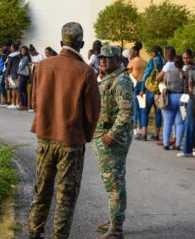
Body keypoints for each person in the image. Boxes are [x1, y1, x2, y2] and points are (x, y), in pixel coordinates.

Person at [28, 22, 100, 239]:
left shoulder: (43, 66)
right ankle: (59, 236)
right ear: (82, 44)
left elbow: (35, 103)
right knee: (66, 195)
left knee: (42, 188)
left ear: (61, 43)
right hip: (71, 141)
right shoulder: (86, 72)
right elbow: (92, 112)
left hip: (44, 136)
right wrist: (85, 136)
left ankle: (34, 231)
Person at [93, 44, 133, 239]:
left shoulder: (121, 80)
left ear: (118, 60)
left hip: (112, 140)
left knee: (114, 182)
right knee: (111, 181)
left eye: (107, 58)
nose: (103, 60)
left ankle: (116, 229)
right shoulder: (109, 78)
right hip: (103, 136)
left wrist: (112, 135)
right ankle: (114, 219)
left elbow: (126, 112)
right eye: (101, 57)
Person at [156, 48, 185, 150]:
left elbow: (159, 79)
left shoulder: (168, 72)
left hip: (170, 97)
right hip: (182, 99)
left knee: (168, 122)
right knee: (180, 122)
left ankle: (166, 144)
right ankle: (177, 144)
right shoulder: (185, 72)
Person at [137, 45, 164, 141]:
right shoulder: (164, 61)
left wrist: (142, 89)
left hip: (150, 90)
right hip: (160, 90)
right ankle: (156, 134)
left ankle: (144, 133)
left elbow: (146, 75)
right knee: (158, 112)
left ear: (153, 53)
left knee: (145, 111)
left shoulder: (152, 61)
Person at [127, 42, 146, 138]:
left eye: (131, 51)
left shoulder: (133, 61)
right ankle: (142, 129)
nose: (130, 53)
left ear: (135, 51)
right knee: (142, 108)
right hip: (143, 86)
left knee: (135, 108)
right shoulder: (144, 61)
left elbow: (127, 72)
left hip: (135, 85)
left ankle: (135, 129)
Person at [17, 46, 31, 110]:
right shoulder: (23, 58)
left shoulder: (25, 58)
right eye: (22, 50)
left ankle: (23, 104)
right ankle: (25, 104)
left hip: (23, 75)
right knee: (24, 90)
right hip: (23, 75)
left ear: (26, 51)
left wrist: (17, 72)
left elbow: (21, 67)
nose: (22, 52)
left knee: (20, 90)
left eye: (24, 50)